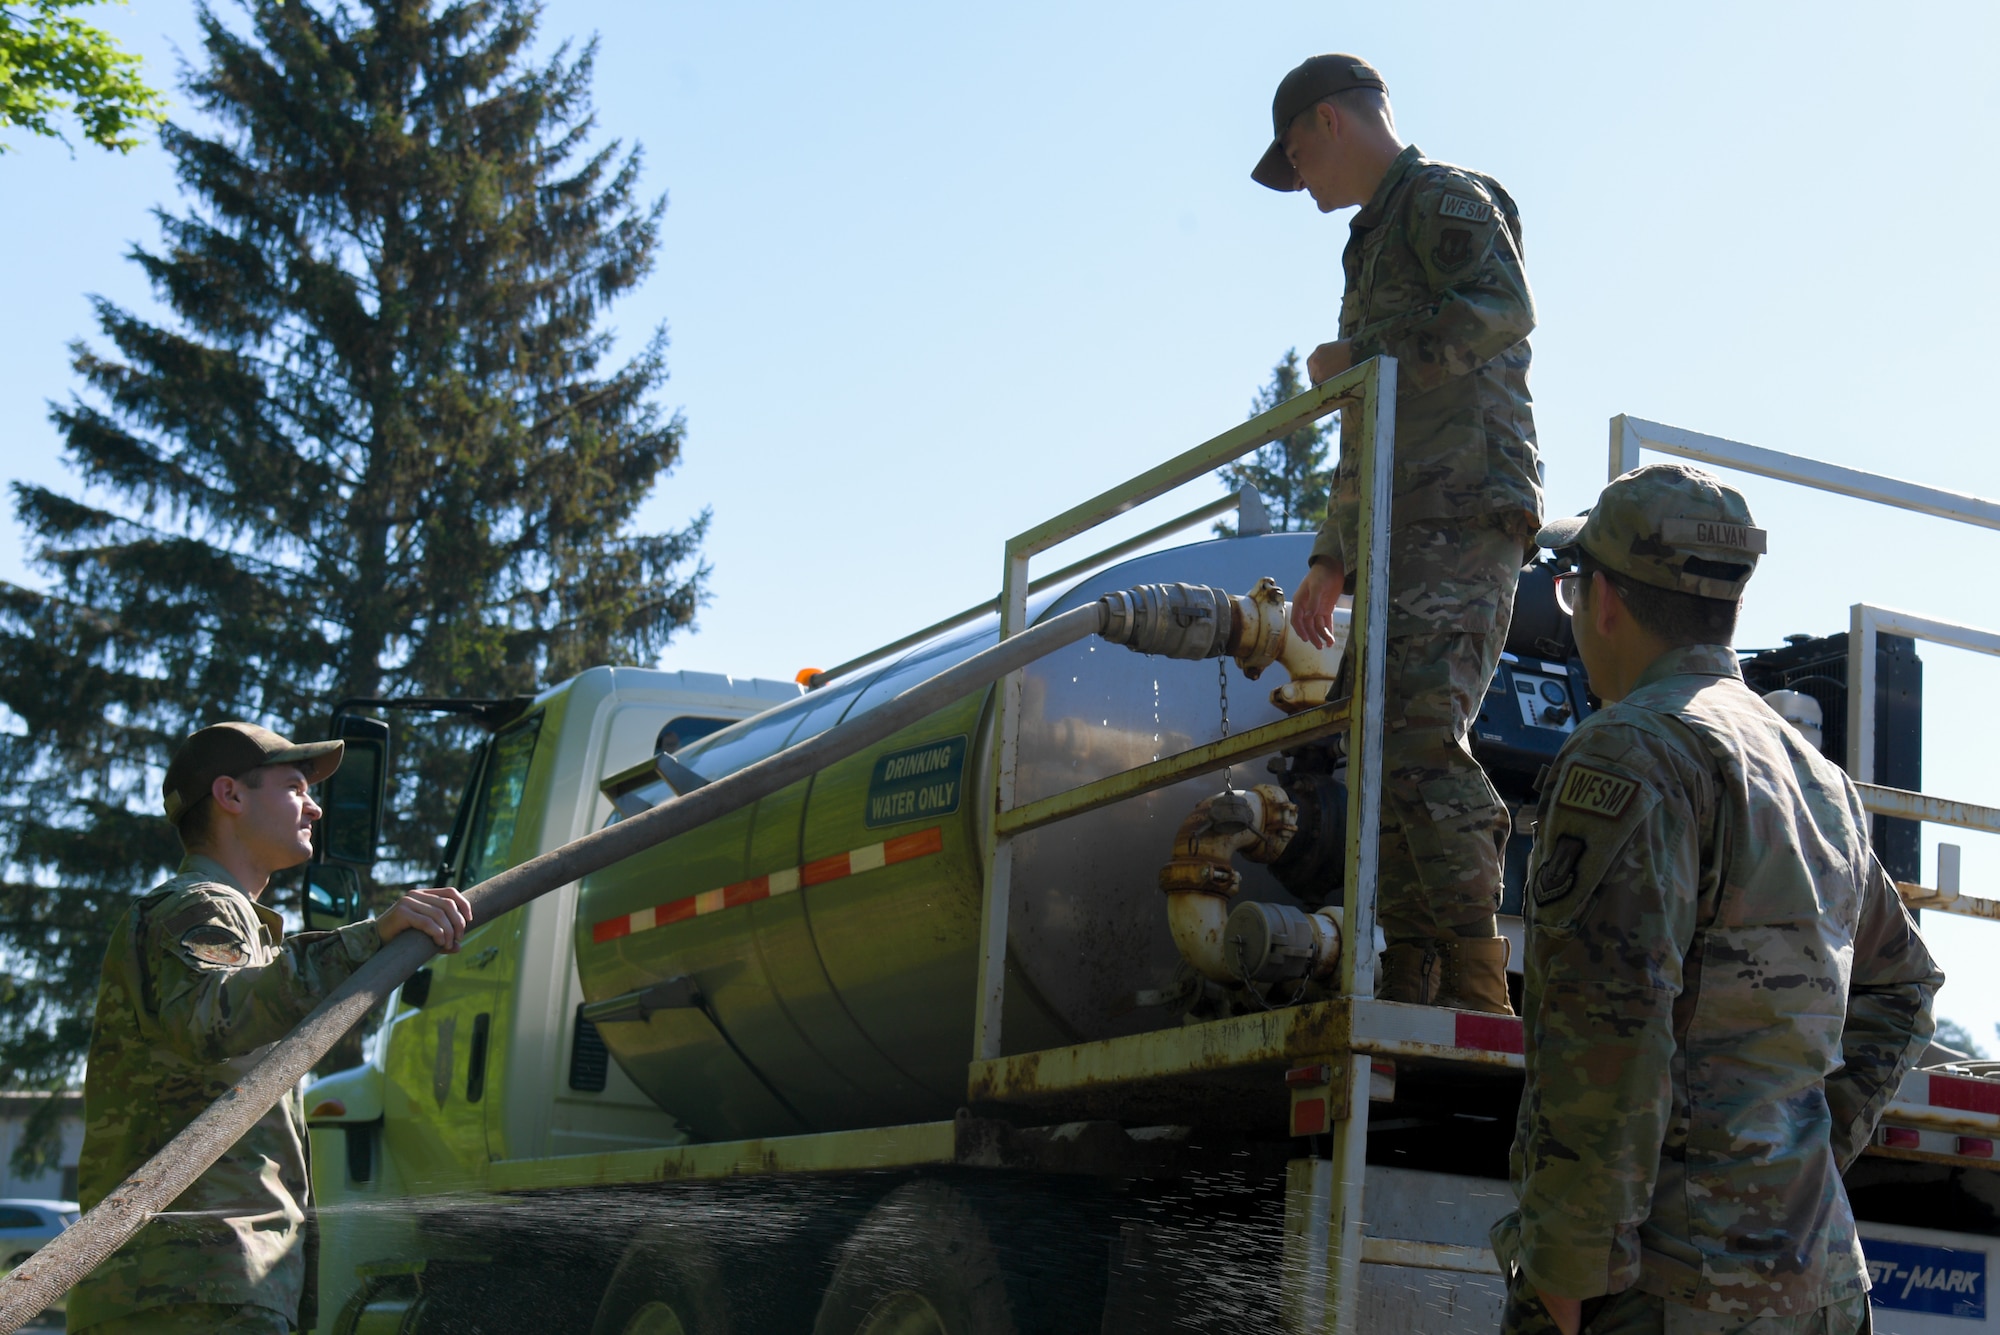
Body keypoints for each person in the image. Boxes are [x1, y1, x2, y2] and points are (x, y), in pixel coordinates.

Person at [1492, 464, 1942, 1335]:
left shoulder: (1631, 751)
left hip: (1664, 1290)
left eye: (1573, 586)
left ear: (1606, 599)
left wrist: (1570, 1269)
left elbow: (1609, 1029)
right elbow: (1903, 986)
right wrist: (1790, 1165)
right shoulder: (1817, 777)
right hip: (1812, 1284)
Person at [1253, 53, 1544, 1011]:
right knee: (1379, 748)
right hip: (1398, 522)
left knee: (1422, 736)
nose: (1303, 187)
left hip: (1462, 508)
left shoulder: (1442, 201)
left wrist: (1361, 351)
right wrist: (1332, 556)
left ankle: (1472, 972)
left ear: (1330, 123)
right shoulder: (1371, 243)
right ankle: (1420, 972)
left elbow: (1504, 309)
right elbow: (1363, 416)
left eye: (1297, 158)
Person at [70, 722, 472, 1335]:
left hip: (193, 1284)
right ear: (230, 796)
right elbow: (215, 1015)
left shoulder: (231, 919)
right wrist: (370, 938)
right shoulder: (198, 905)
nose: (314, 806)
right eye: (294, 787)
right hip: (195, 1285)